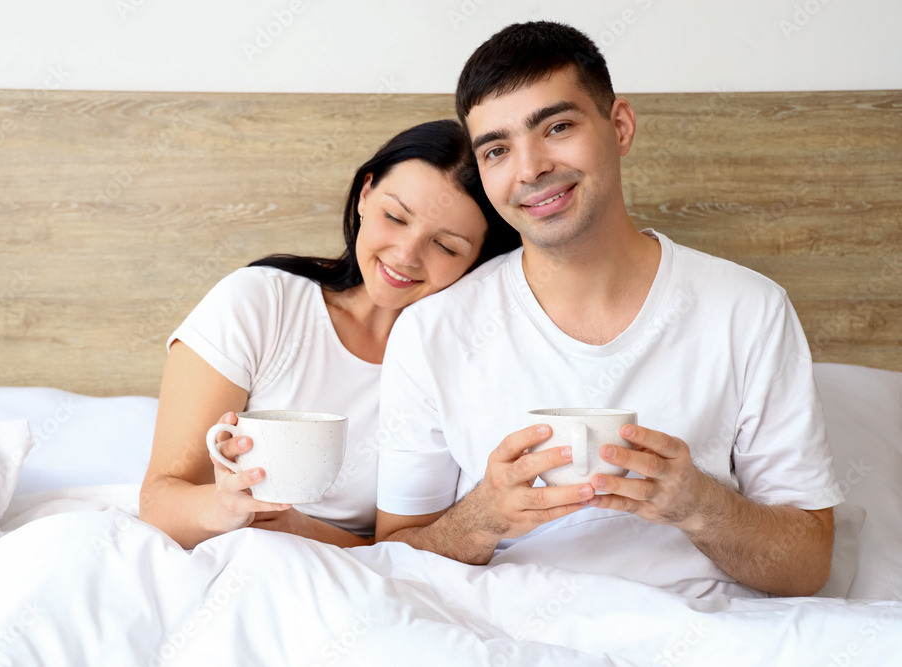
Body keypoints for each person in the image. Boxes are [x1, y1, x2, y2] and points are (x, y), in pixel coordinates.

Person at [375, 22, 844, 598]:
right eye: (497, 150)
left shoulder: (749, 309)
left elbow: (806, 566)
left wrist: (698, 504)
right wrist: (484, 517)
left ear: (619, 126)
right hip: (503, 633)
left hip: (706, 632)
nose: (530, 169)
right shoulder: (431, 333)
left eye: (558, 127)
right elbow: (392, 557)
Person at [139, 119, 520, 550]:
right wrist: (225, 507)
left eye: (446, 246)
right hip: (229, 546)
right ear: (365, 193)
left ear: (478, 261)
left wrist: (304, 532)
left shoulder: (467, 361)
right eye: (395, 217)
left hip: (355, 573)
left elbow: (414, 546)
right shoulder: (260, 303)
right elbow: (157, 501)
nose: (406, 255)